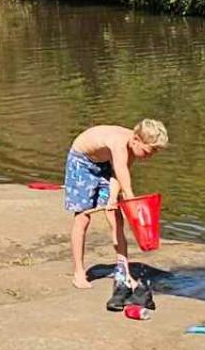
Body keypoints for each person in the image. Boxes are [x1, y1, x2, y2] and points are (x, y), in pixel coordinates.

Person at [64, 119, 169, 303]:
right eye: (148, 151)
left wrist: (113, 199)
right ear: (136, 139)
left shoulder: (132, 149)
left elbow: (118, 176)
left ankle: (123, 271)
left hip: (106, 163)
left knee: (116, 217)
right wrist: (134, 208)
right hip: (82, 161)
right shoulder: (118, 142)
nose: (149, 156)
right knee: (83, 217)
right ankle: (79, 273)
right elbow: (125, 183)